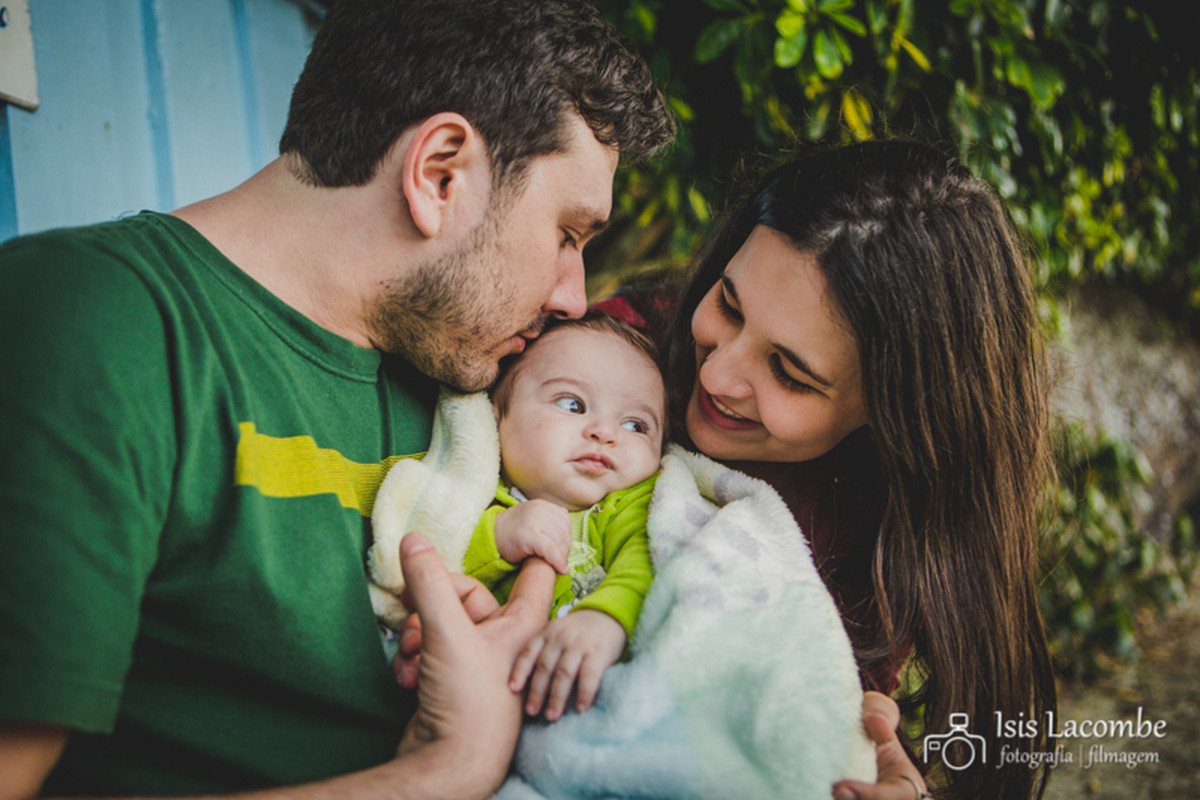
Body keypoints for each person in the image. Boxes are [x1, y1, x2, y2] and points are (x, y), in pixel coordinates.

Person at [0, 0, 673, 797]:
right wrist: (444, 768)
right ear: (440, 173)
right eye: (568, 234)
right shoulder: (92, 324)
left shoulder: (475, 388)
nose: (574, 296)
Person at [601, 140, 1058, 800]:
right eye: (728, 304)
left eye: (789, 372)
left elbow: (847, 703)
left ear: (892, 414)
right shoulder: (606, 353)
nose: (718, 372)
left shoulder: (892, 516)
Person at [466, 312, 665, 722]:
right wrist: (497, 536)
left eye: (636, 425)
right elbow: (424, 547)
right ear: (494, 415)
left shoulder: (630, 505)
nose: (606, 433)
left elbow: (648, 557)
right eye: (572, 404)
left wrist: (605, 616)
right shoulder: (470, 492)